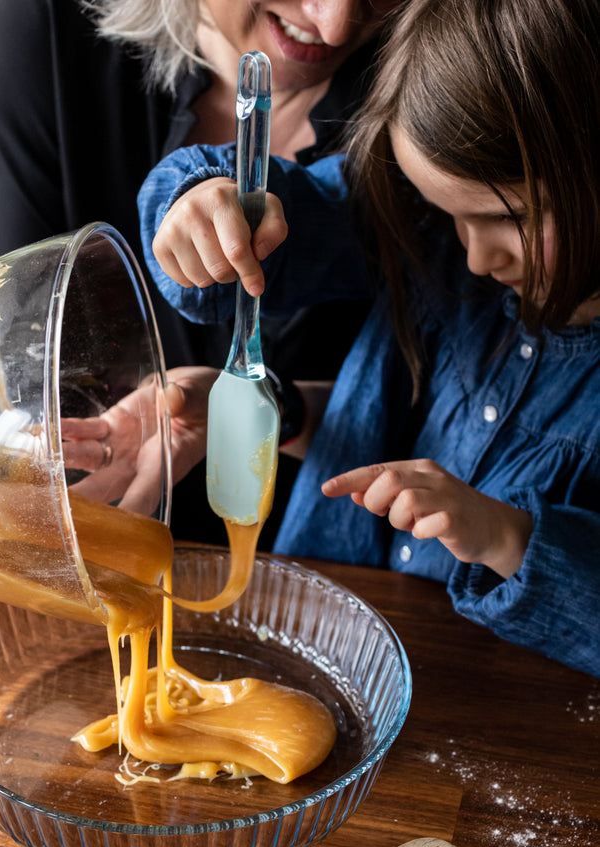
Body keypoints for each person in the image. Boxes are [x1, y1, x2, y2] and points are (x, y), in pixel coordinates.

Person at [0, 0, 403, 572]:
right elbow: (11, 359)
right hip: (88, 554)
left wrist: (269, 410)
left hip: (332, 574)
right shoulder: (53, 31)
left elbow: (443, 426)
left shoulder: (442, 100)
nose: (333, 25)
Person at [137, 0, 600, 677]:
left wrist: (508, 537)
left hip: (506, 729)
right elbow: (267, 235)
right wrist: (203, 208)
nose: (475, 257)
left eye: (510, 218)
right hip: (319, 663)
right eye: (452, 216)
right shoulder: (420, 225)